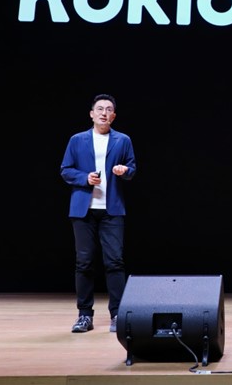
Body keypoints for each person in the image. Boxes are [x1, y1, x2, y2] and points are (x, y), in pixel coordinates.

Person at [60, 94, 137, 333]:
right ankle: (84, 315)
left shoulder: (123, 140)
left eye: (109, 109)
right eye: (100, 109)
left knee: (114, 262)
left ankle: (118, 314)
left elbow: (132, 168)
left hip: (112, 209)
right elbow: (65, 170)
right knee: (84, 262)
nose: (104, 113)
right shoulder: (77, 140)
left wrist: (124, 170)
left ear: (114, 116)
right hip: (83, 209)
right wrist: (84, 178)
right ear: (92, 114)